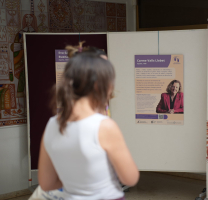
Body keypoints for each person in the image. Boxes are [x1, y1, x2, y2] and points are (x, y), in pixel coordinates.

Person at [37, 44, 139, 200]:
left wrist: (76, 184)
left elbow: (46, 183)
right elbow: (130, 178)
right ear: (101, 84)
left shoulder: (52, 124)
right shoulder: (104, 126)